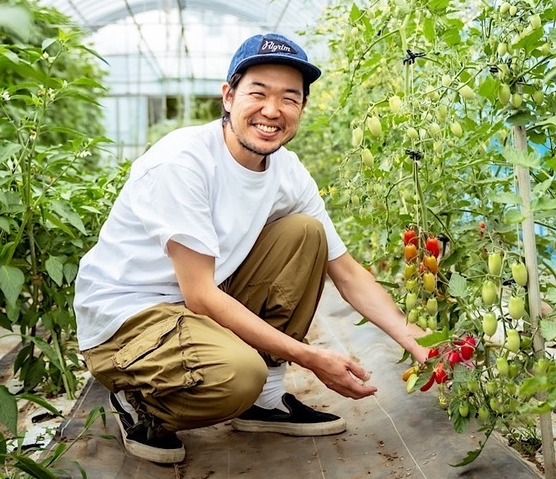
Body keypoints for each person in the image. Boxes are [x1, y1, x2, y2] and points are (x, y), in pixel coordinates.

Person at [73, 33, 429, 464]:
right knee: (240, 375)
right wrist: (311, 357)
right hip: (129, 318)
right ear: (228, 96)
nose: (272, 110)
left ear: (301, 108)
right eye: (257, 93)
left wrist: (415, 339)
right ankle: (141, 403)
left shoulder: (286, 170)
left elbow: (347, 272)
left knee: (305, 233)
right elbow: (201, 295)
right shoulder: (182, 163)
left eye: (289, 98)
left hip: (193, 305)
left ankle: (267, 401)